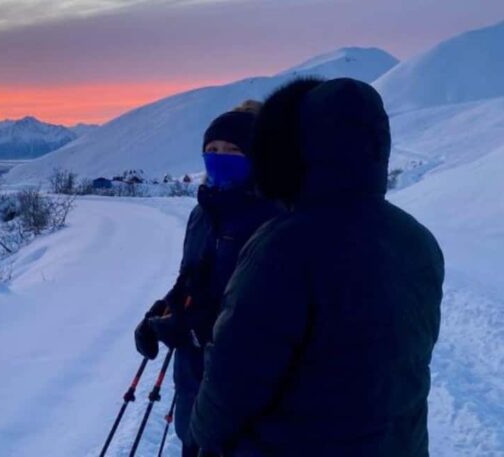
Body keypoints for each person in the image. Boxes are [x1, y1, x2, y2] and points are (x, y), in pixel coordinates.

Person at [190, 77, 444, 456]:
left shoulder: (284, 244)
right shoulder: (416, 239)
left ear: (291, 150)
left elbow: (235, 379)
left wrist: (200, 438)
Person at [134, 101, 282, 457]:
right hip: (195, 382)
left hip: (245, 399)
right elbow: (193, 279)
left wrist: (195, 329)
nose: (220, 158)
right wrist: (164, 311)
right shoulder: (203, 213)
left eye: (234, 151)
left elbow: (270, 315)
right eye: (212, 150)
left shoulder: (274, 219)